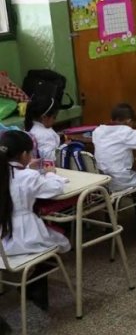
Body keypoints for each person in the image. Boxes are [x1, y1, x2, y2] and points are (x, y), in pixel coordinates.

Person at [0, 130, 71, 310]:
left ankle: (33, 287)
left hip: (3, 242)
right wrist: (50, 173)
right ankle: (34, 285)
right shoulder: (27, 176)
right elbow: (55, 189)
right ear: (25, 155)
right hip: (25, 237)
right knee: (63, 242)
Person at [92, 103, 136, 192]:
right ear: (129, 121)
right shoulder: (124, 132)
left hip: (103, 180)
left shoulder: (98, 131)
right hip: (120, 181)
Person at [24, 96, 60, 163]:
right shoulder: (44, 134)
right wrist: (64, 147)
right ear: (44, 117)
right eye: (54, 117)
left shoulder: (31, 127)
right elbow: (49, 158)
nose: (55, 120)